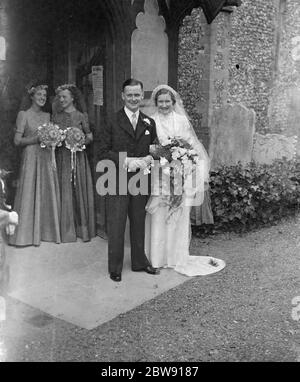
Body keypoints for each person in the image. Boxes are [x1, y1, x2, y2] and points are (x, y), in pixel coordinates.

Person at [145, 85, 225, 276]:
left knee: (179, 214)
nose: (164, 105)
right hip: (160, 174)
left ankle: (176, 257)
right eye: (161, 102)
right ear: (156, 103)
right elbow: (148, 147)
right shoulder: (150, 121)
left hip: (182, 174)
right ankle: (156, 257)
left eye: (167, 101)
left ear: (173, 102)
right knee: (160, 213)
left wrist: (185, 159)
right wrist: (161, 154)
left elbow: (192, 145)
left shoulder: (181, 120)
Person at [98, 78, 159, 282]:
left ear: (142, 96)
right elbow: (102, 151)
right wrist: (127, 161)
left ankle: (139, 263)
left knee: (138, 221)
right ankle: (115, 267)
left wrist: (150, 158)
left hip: (141, 179)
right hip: (116, 178)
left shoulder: (149, 122)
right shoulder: (111, 120)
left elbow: (155, 147)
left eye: (137, 95)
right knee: (116, 223)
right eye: (129, 95)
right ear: (123, 96)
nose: (133, 98)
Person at [9, 83, 61, 246]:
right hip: (31, 156)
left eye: (44, 96)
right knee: (30, 190)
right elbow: (17, 141)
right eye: (39, 95)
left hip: (45, 157)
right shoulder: (23, 114)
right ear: (31, 96)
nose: (42, 98)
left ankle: (45, 232)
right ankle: (25, 235)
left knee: (45, 190)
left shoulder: (47, 116)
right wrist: (35, 139)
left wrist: (53, 139)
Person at [53, 84, 95, 243]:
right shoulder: (56, 116)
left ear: (72, 98)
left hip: (78, 158)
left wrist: (80, 139)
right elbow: (54, 137)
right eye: (60, 97)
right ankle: (66, 231)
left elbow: (90, 136)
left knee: (78, 190)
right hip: (62, 158)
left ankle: (81, 229)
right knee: (64, 190)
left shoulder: (81, 116)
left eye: (64, 97)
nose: (61, 99)